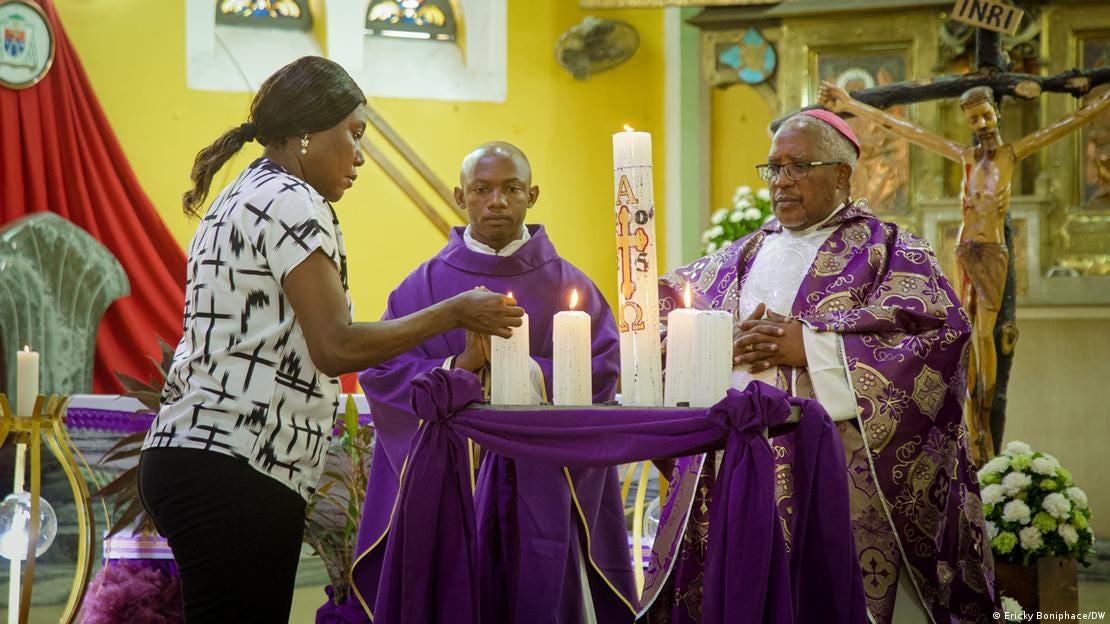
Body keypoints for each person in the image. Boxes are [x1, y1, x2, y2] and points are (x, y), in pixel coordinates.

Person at [138, 57, 523, 623]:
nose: (361, 156)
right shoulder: (295, 201)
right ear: (305, 133)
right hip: (236, 465)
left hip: (196, 454)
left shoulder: (243, 192)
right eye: (355, 134)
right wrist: (454, 312)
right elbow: (335, 347)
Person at [648, 110, 996, 623]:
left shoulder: (891, 249)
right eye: (773, 168)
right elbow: (662, 318)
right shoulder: (739, 254)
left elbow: (940, 336)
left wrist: (808, 347)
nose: (781, 181)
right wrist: (719, 340)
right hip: (733, 461)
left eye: (798, 166)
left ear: (841, 175)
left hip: (834, 463)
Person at [350, 142, 637, 622]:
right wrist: (459, 366)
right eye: (482, 189)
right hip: (447, 480)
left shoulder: (573, 287)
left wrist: (521, 370)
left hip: (544, 483)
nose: (497, 201)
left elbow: (603, 370)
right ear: (461, 197)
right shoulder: (420, 287)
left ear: (533, 194)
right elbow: (381, 374)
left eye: (511, 188)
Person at [819, 81, 1110, 463]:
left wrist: (1102, 101)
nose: (982, 124)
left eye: (986, 115)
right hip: (963, 250)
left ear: (997, 115)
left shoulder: (1008, 155)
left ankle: (984, 421)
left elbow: (1066, 123)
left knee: (986, 336)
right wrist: (850, 102)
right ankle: (970, 425)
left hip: (991, 252)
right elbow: (909, 131)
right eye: (975, 119)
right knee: (963, 333)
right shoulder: (967, 156)